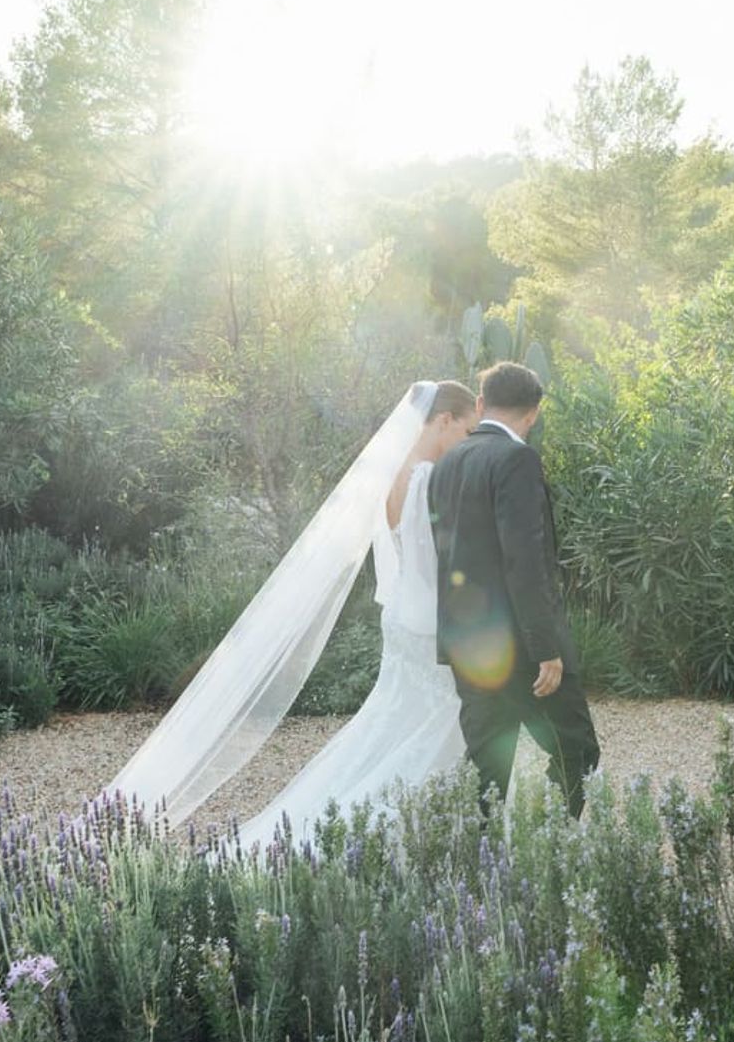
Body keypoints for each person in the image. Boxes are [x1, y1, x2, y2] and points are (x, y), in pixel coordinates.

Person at [236, 379, 477, 849]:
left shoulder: (390, 477)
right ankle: (401, 837)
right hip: (431, 625)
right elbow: (441, 567)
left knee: (390, 726)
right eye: (467, 431)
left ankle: (346, 822)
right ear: (444, 420)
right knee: (440, 727)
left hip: (401, 620)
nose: (467, 444)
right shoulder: (428, 480)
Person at [427, 362, 600, 818]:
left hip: (468, 644)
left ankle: (476, 870)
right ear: (535, 413)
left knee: (486, 766)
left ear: (481, 404)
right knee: (576, 749)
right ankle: (550, 853)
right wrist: (545, 647)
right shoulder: (517, 459)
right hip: (521, 648)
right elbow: (524, 560)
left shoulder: (447, 464)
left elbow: (445, 556)